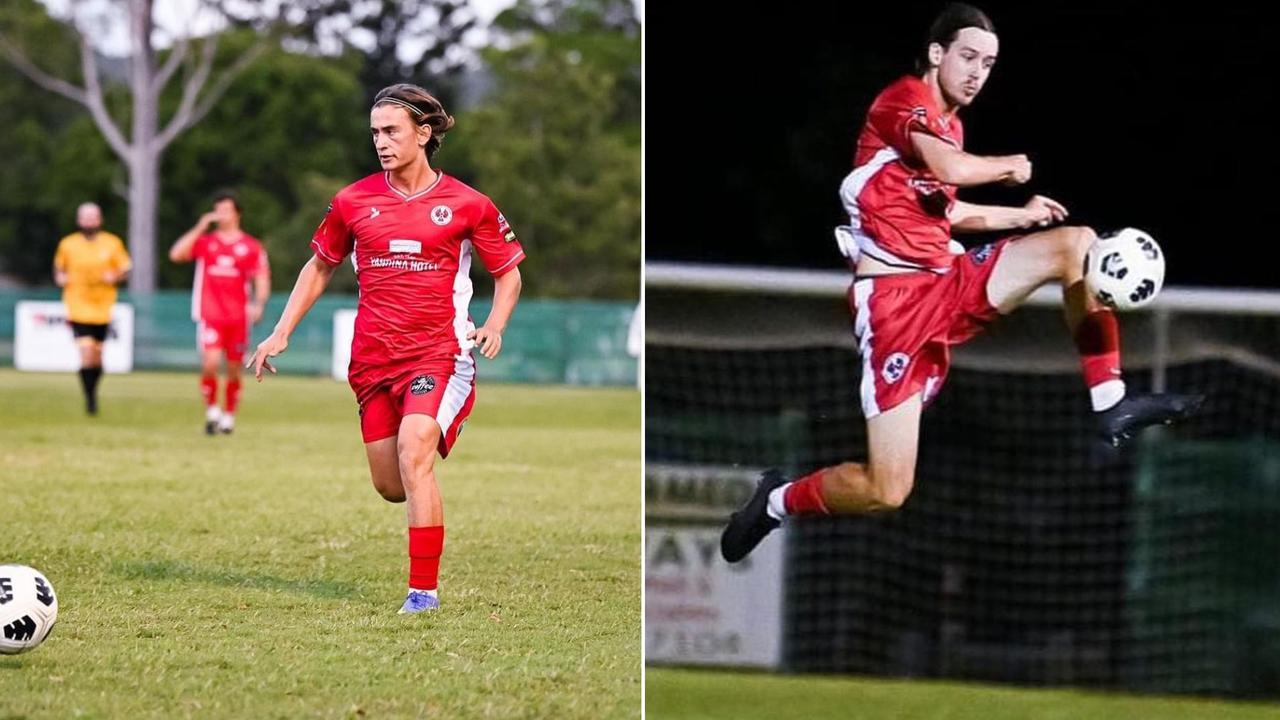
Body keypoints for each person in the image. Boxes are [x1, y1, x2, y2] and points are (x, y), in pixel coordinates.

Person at [721, 3, 1202, 563]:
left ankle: (1111, 400)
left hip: (948, 280)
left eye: (989, 64)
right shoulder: (903, 101)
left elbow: (945, 210)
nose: (978, 73)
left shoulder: (951, 126)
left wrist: (1019, 216)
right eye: (968, 57)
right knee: (887, 489)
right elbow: (949, 169)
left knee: (1076, 244)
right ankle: (776, 502)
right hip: (895, 309)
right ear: (936, 54)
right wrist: (1009, 167)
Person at [247, 83, 526, 614]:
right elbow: (320, 265)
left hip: (438, 354)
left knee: (414, 451)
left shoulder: (469, 204)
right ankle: (418, 507)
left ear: (423, 134)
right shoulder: (353, 201)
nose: (381, 141)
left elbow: (508, 274)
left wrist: (494, 324)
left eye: (391, 131)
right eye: (375, 132)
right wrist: (281, 330)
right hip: (372, 360)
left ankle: (423, 594)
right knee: (390, 485)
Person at [169, 191, 270, 434]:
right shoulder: (205, 242)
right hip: (210, 314)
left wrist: (258, 304)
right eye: (218, 210)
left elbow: (262, 279)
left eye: (226, 209)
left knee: (234, 368)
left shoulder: (251, 246)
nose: (220, 214)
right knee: (211, 363)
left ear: (237, 213)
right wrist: (199, 226)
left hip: (238, 317)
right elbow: (176, 254)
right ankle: (212, 410)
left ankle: (229, 415)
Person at [53, 202, 131, 415]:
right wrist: (60, 278)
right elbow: (59, 269)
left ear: (100, 219)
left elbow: (125, 269)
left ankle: (92, 389)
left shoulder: (112, 243)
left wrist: (115, 276)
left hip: (103, 307)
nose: (89, 221)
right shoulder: (68, 244)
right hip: (77, 304)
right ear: (79, 220)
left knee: (97, 358)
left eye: (93, 217)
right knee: (86, 353)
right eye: (85, 217)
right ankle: (90, 401)